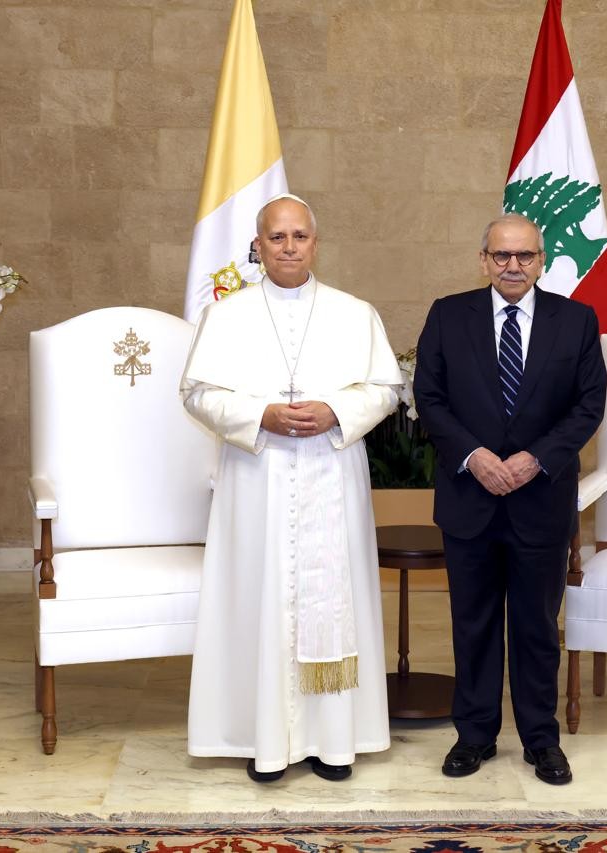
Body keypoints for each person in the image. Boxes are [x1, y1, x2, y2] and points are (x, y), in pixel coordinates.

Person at [180, 194, 402, 783]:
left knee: (333, 601)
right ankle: (264, 742)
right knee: (263, 599)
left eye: (299, 236)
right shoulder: (226, 317)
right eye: (276, 237)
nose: (288, 247)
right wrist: (260, 415)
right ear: (258, 245)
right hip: (259, 479)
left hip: (332, 471)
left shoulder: (355, 313)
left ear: (315, 243)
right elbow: (197, 393)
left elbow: (385, 389)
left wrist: (334, 411)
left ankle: (334, 742)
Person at [412, 213, 606, 785]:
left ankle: (541, 739)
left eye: (525, 256)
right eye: (502, 255)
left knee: (536, 627)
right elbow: (430, 397)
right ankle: (474, 735)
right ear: (483, 260)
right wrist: (474, 456)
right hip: (469, 497)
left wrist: (535, 458)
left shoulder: (577, 321)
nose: (513, 266)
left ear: (541, 261)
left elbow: (589, 405)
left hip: (540, 499)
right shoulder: (448, 316)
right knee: (472, 624)